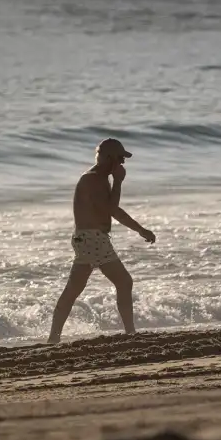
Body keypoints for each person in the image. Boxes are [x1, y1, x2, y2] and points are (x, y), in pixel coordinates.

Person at [47, 138, 156, 343]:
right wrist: (119, 182)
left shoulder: (97, 178)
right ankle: (130, 333)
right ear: (108, 158)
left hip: (87, 238)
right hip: (92, 238)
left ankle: (53, 338)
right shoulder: (93, 179)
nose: (123, 163)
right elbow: (112, 209)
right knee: (124, 282)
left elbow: (113, 211)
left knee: (73, 290)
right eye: (120, 158)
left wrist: (140, 230)